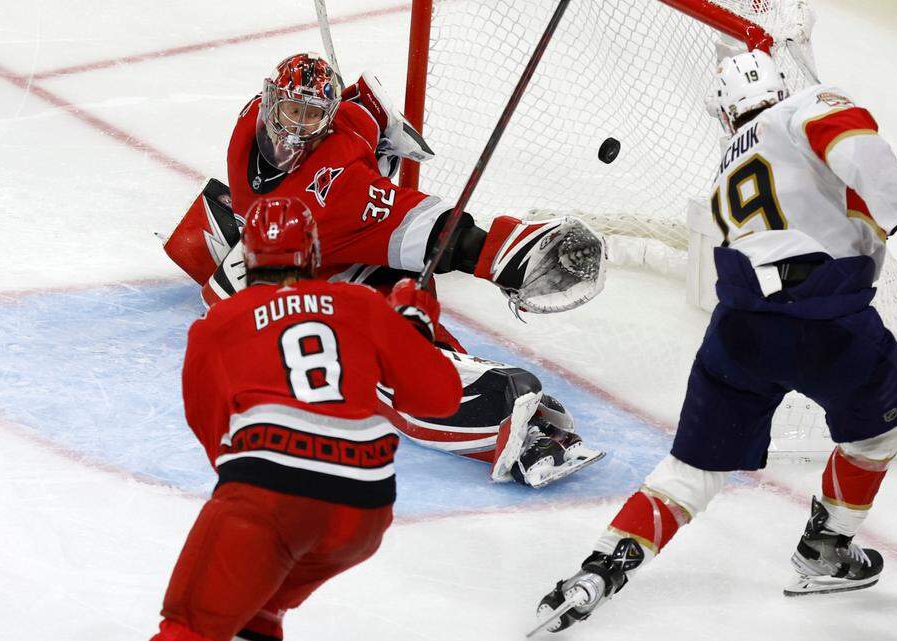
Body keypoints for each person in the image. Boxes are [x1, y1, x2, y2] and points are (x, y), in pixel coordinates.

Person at [532, 50, 897, 633]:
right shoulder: (801, 108)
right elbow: (855, 145)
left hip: (736, 332)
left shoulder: (727, 167)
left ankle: (599, 569)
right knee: (890, 413)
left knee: (690, 470)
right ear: (780, 87)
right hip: (822, 322)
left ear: (725, 111)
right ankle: (827, 548)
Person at [162, 52, 606, 487]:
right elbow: (364, 108)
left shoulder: (340, 188)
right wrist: (373, 117)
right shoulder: (251, 122)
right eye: (291, 109)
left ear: (328, 121)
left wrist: (506, 256)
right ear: (269, 100)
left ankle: (496, 413)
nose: (296, 126)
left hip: (346, 257)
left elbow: (433, 231)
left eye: (312, 116)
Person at [152, 197, 462, 641]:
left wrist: (254, 498)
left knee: (190, 627)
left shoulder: (220, 321)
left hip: (272, 494)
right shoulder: (361, 302)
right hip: (362, 509)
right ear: (315, 254)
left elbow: (210, 428)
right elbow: (439, 397)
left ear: (246, 260)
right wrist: (415, 326)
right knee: (256, 611)